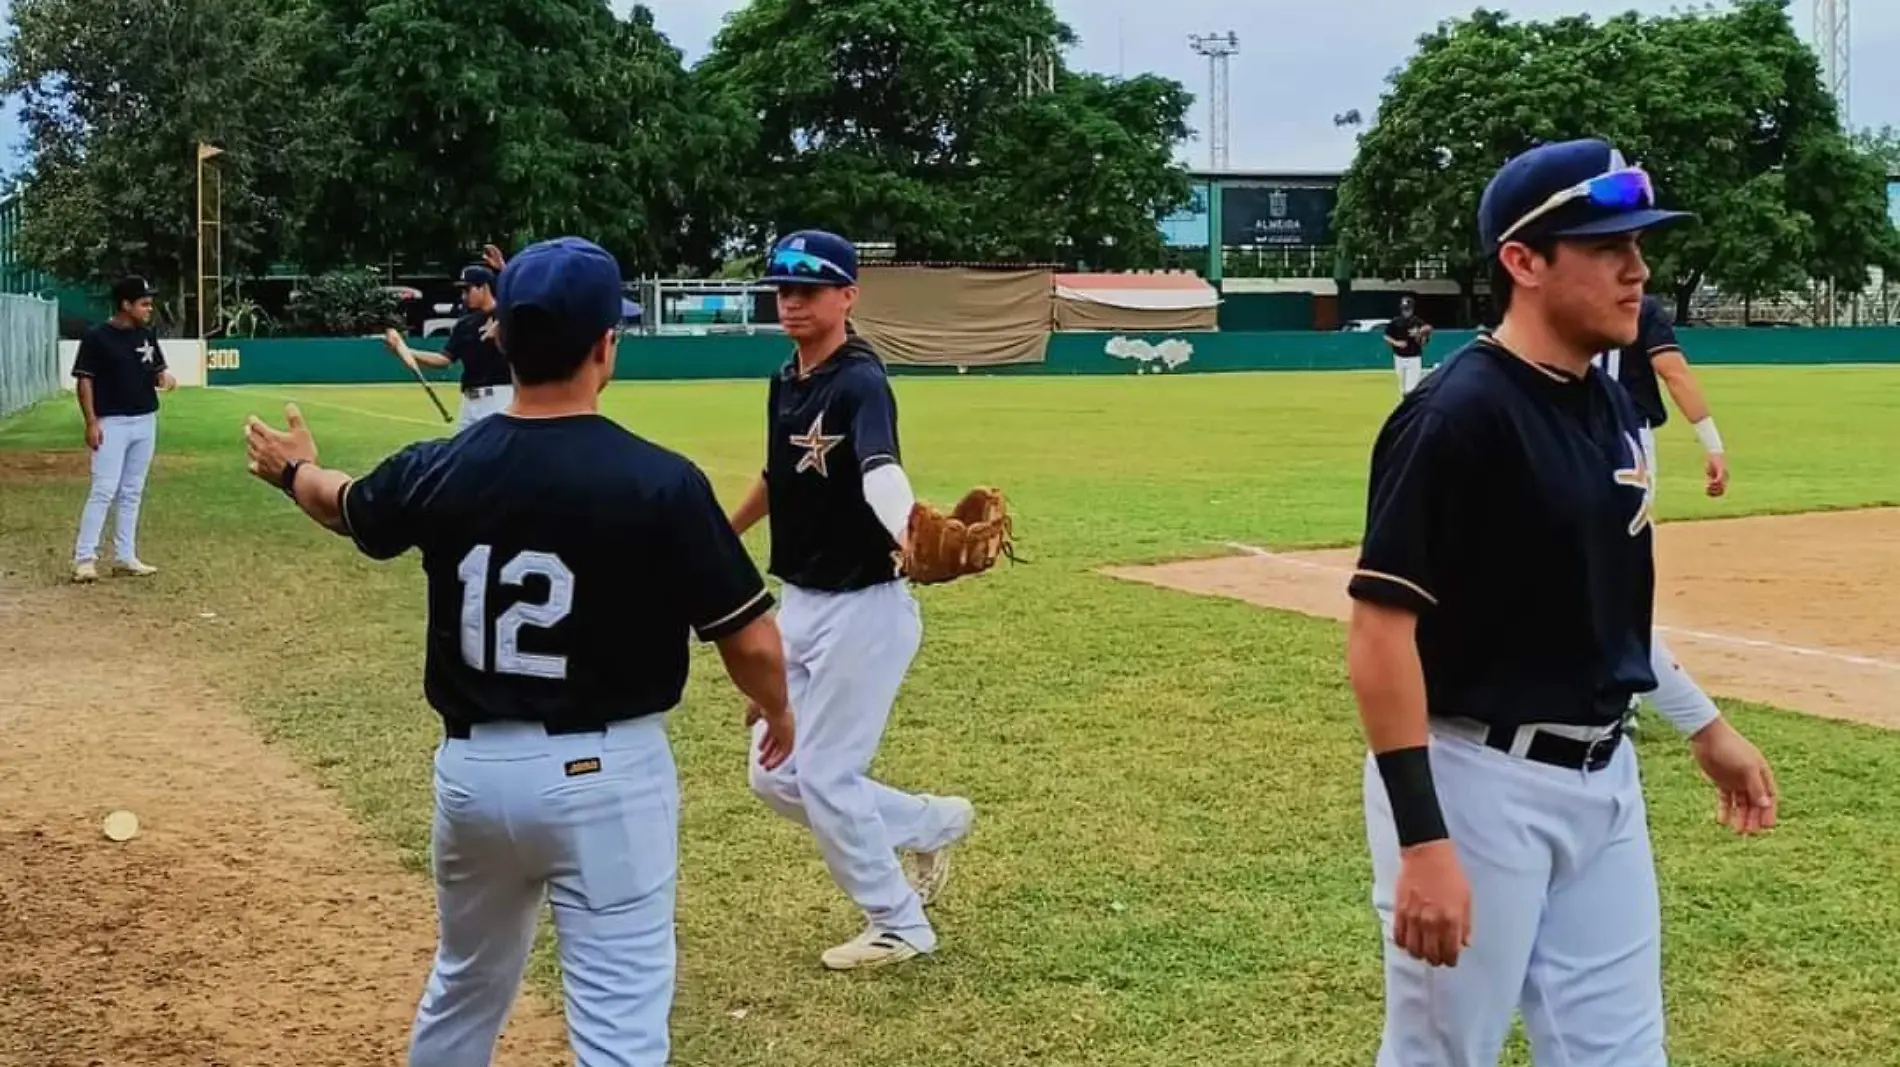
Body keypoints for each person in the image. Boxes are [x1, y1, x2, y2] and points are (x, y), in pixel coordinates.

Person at [243, 236, 796, 1067]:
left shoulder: (442, 465)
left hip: (473, 778)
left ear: (500, 340)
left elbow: (344, 504)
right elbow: (750, 640)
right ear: (608, 345)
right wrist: (778, 706)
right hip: (607, 777)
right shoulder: (660, 480)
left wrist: (294, 473)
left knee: (465, 986)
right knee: (618, 1026)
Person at [1343, 139, 1779, 1067]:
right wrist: (1424, 841)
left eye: (1639, 244)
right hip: (1475, 782)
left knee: (1620, 1053)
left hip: (1606, 779)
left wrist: (1703, 726)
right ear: (1524, 262)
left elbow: (1602, 606)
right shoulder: (1456, 417)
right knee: (1439, 1053)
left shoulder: (1607, 405)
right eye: (1606, 246)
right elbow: (1380, 633)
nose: (1638, 268)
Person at [726, 229, 976, 972]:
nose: (793, 300)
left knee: (826, 773)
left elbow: (878, 470)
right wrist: (720, 532)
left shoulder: (861, 379)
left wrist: (906, 526)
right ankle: (930, 822)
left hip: (866, 605)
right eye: (783, 288)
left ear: (848, 296)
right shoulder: (786, 379)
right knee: (773, 774)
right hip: (800, 601)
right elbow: (778, 477)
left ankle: (900, 922)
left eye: (809, 288)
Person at [1594, 293, 1732, 738]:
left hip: (1565, 431)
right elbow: (1672, 370)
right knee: (1627, 565)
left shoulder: (1566, 299)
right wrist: (1711, 442)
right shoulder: (1639, 306)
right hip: (1627, 442)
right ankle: (1626, 696)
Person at [70, 275, 176, 582]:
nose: (149, 308)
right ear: (125, 304)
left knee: (132, 490)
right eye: (143, 303)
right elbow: (84, 379)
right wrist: (91, 422)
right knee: (104, 489)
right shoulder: (97, 337)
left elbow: (157, 371)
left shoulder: (146, 334)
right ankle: (85, 558)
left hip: (145, 420)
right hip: (112, 422)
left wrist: (165, 379)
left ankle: (125, 556)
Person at [384, 262, 512, 430]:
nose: (464, 296)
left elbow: (525, 300)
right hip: (469, 400)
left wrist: (502, 267)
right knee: (463, 454)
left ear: (484, 288)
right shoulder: (465, 323)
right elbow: (444, 359)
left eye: (468, 290)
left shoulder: (507, 314)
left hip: (499, 397)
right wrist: (404, 350)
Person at [1383, 296, 1433, 395]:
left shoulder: (1416, 321)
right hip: (1399, 357)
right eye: (1403, 309)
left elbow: (1428, 328)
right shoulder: (1396, 321)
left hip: (1414, 357)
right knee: (1401, 387)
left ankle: (1409, 406)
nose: (1405, 311)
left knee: (1411, 388)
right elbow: (1386, 336)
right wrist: (1396, 343)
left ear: (1412, 309)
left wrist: (1418, 332)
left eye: (1407, 309)